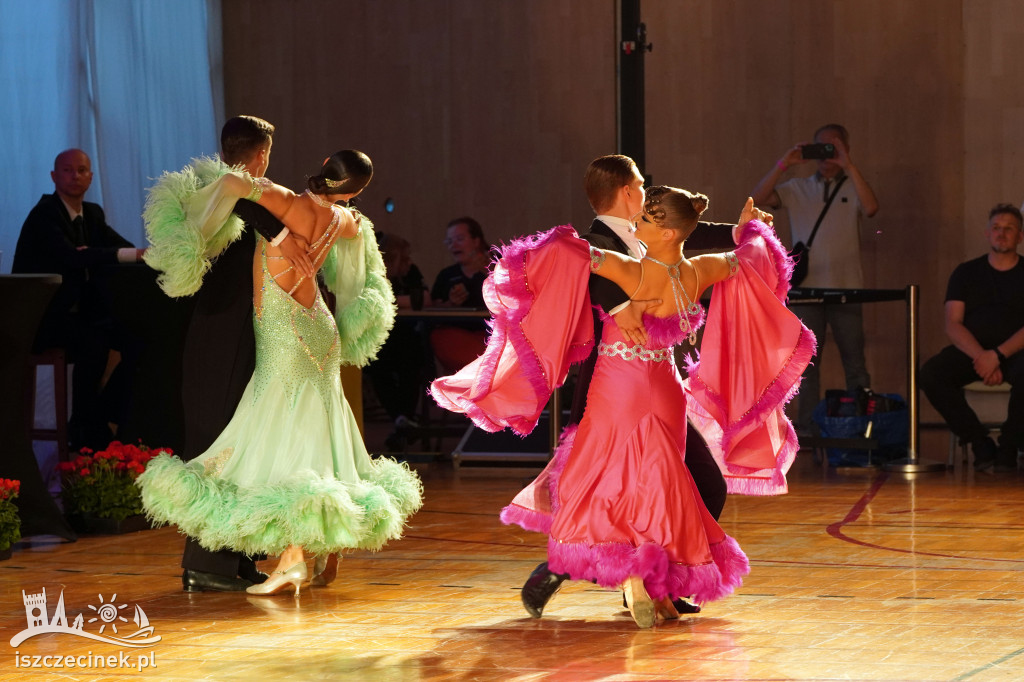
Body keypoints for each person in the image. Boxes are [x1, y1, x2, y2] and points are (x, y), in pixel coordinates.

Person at [432, 188, 814, 627]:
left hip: (619, 386)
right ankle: (652, 577)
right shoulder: (701, 271)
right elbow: (748, 258)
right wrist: (753, 229)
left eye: (647, 221)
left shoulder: (632, 270)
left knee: (594, 480)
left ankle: (627, 573)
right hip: (665, 388)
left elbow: (569, 255)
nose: (637, 224)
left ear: (667, 231)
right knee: (662, 487)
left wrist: (549, 254)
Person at [137, 150, 423, 596]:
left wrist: (194, 232)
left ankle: (293, 557)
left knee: (280, 432)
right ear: (354, 191)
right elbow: (361, 247)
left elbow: (233, 186)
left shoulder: (286, 202)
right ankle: (320, 550)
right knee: (318, 430)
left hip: (284, 329)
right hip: (320, 327)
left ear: (326, 163)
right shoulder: (345, 221)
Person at [519, 155, 735, 620]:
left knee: (653, 488)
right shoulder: (628, 245)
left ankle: (648, 578)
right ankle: (584, 571)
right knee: (623, 489)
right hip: (616, 387)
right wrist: (619, 309)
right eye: (642, 185)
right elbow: (592, 279)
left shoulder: (638, 251)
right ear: (628, 192)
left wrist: (743, 228)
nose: (647, 193)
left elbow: (576, 259)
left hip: (640, 385)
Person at [174, 116, 314, 593]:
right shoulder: (216, 190)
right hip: (219, 334)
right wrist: (281, 235)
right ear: (261, 155)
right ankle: (205, 563)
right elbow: (243, 200)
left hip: (236, 332)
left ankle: (233, 558)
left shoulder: (237, 194)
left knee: (243, 443)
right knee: (217, 445)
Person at [12, 148, 146, 451]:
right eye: (68, 170)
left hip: (80, 316)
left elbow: (118, 248)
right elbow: (71, 258)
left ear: (91, 176)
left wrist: (145, 254)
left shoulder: (93, 214)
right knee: (94, 342)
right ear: (54, 176)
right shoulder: (45, 214)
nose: (75, 176)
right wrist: (103, 255)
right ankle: (87, 431)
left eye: (82, 170)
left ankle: (99, 417)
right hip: (43, 320)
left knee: (137, 340)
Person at [751, 124, 879, 434]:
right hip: (807, 288)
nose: (826, 155)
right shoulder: (798, 187)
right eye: (820, 147)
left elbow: (872, 208)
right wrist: (785, 163)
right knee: (807, 363)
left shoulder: (852, 184)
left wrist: (847, 164)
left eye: (833, 148)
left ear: (845, 149)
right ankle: (807, 429)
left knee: (855, 361)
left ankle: (861, 427)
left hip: (848, 288)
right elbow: (756, 200)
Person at [920, 203, 1024, 473]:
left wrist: (998, 356)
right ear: (987, 233)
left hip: (1015, 352)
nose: (1002, 234)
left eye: (1009, 229)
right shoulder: (966, 273)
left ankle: (1009, 449)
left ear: (1020, 236)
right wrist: (982, 357)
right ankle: (979, 443)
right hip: (973, 352)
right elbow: (953, 323)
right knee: (931, 374)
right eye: (996, 228)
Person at [365, 232, 432, 451]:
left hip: (407, 335)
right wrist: (402, 301)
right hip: (381, 337)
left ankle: (403, 421)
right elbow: (369, 301)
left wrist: (390, 300)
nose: (410, 262)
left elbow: (423, 299)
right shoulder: (373, 275)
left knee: (413, 365)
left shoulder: (411, 273)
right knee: (376, 367)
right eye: (405, 258)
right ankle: (402, 420)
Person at [429, 217, 490, 373]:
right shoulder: (447, 275)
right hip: (455, 337)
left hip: (491, 335)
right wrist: (451, 304)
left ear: (476, 241)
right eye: (449, 241)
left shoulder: (497, 267)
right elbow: (433, 306)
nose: (454, 245)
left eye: (459, 239)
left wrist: (485, 271)